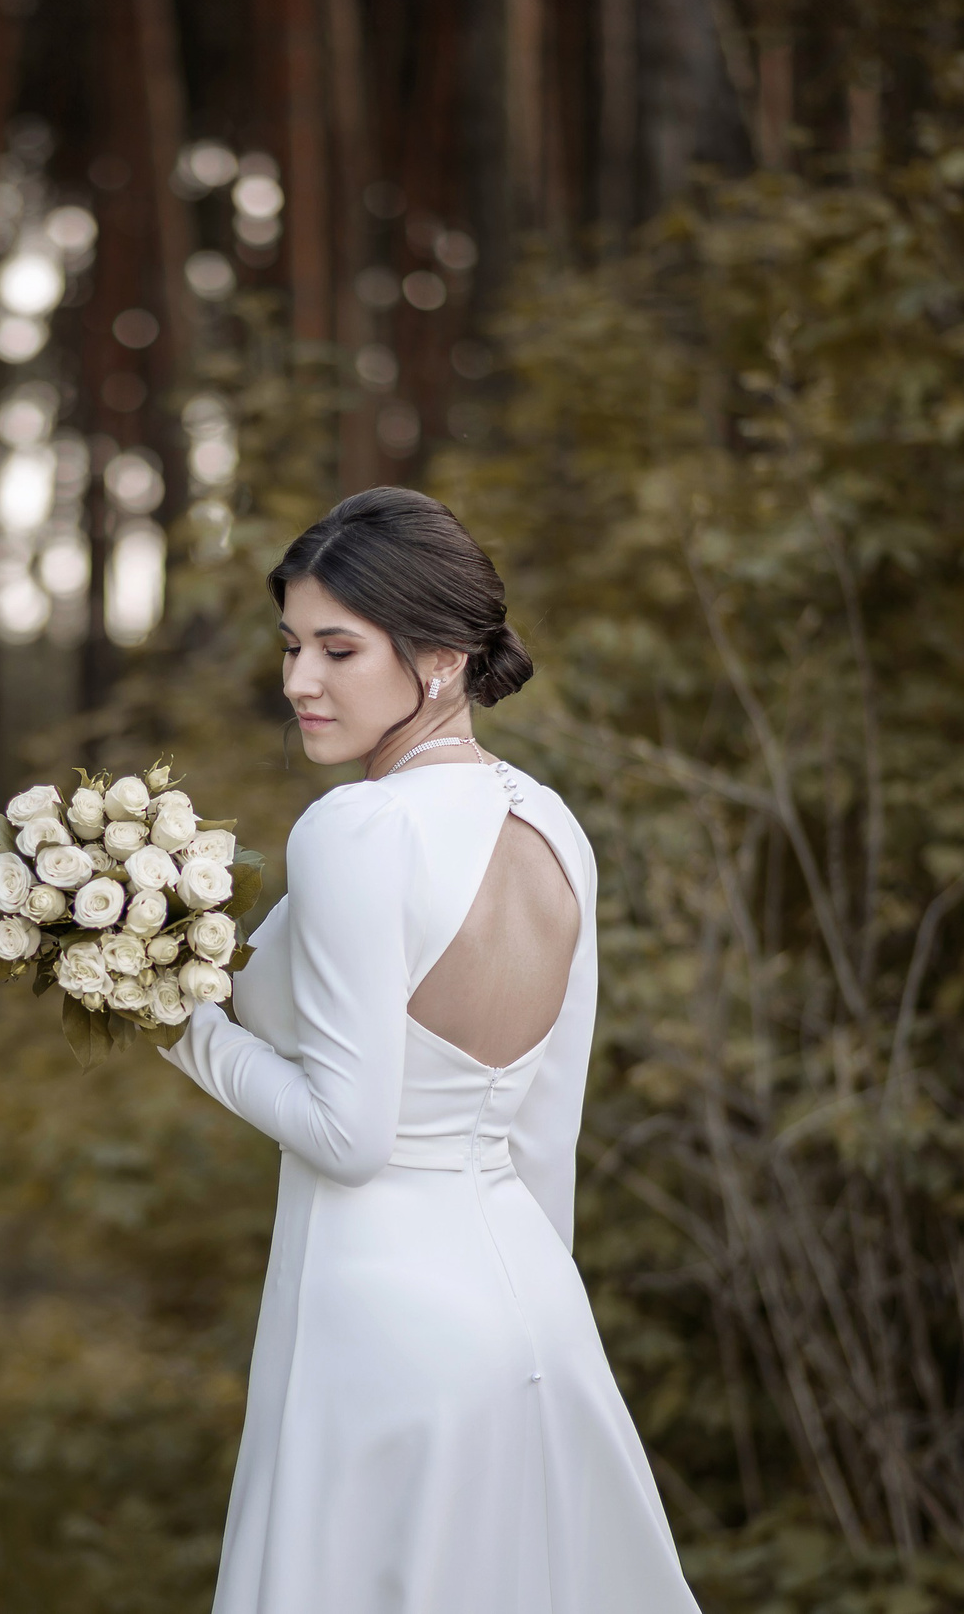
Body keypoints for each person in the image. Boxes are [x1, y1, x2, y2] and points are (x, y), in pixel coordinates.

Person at [160, 487, 703, 1614]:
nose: (297, 681)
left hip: (379, 1323)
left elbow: (351, 1138)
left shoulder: (357, 830)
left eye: (337, 649)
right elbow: (544, 1127)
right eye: (292, 645)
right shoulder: (551, 825)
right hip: (530, 1311)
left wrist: (174, 1027)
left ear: (443, 657)